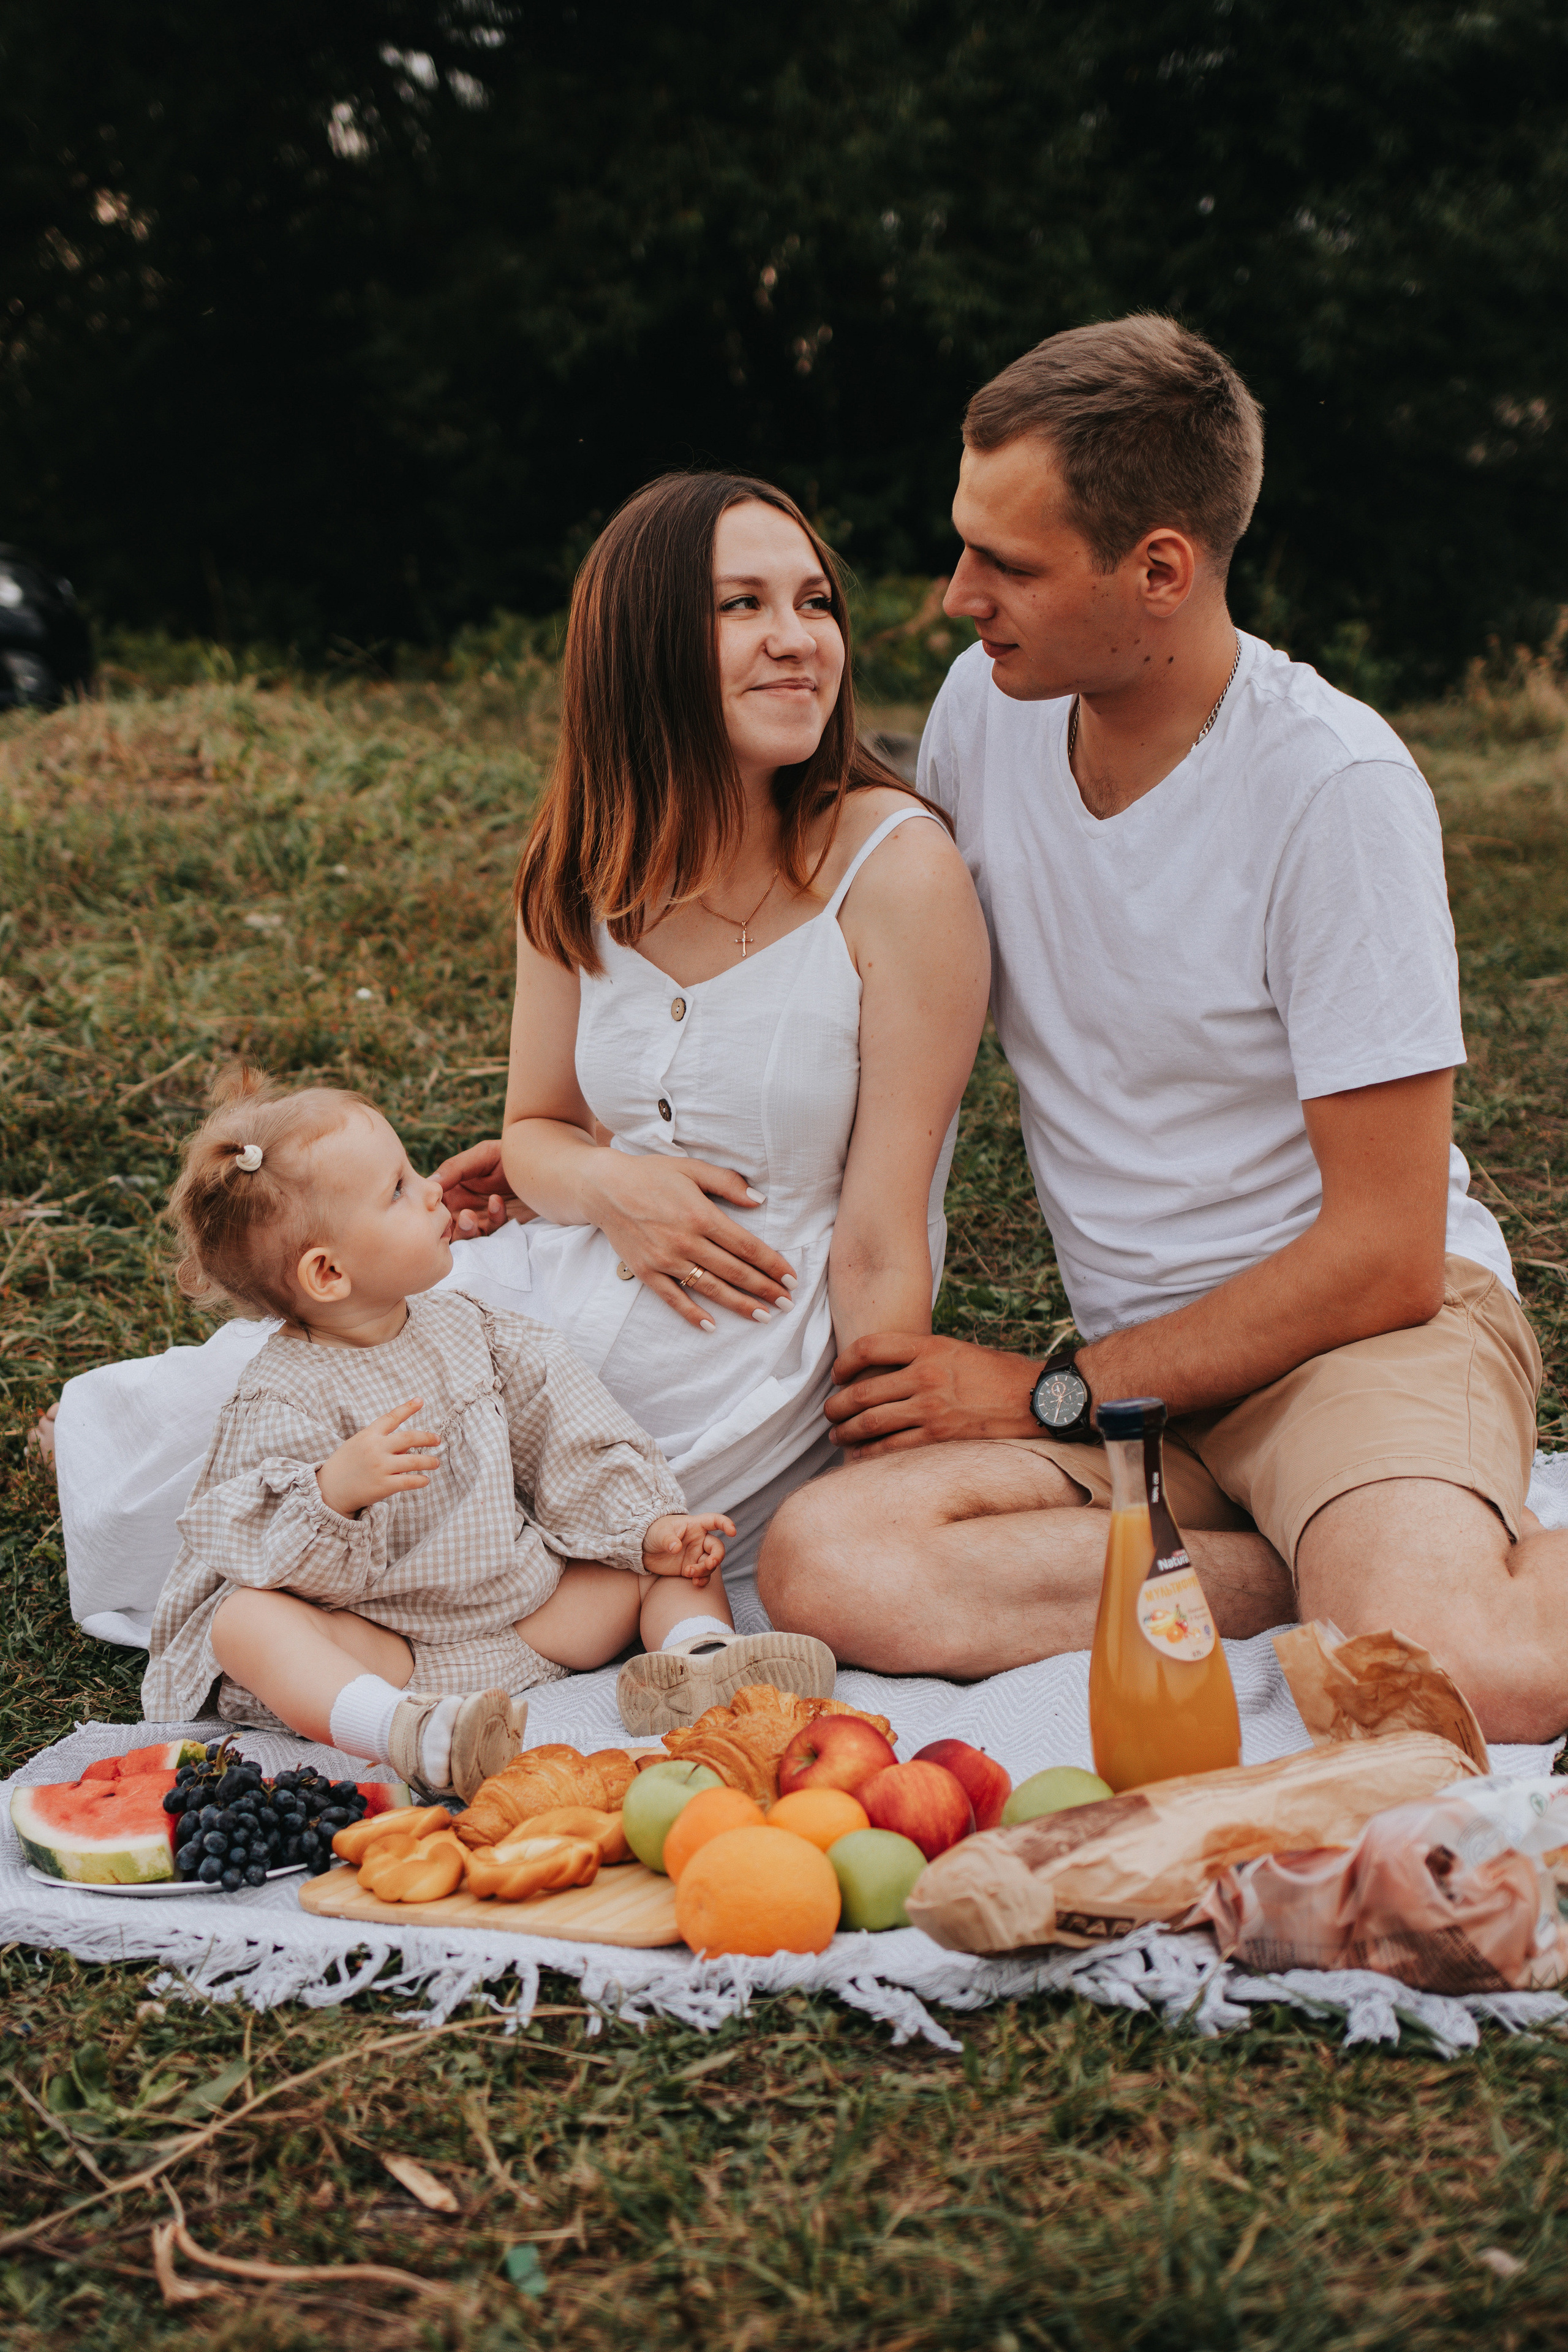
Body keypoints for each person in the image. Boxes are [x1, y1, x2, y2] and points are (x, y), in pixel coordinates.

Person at [48, 470, 991, 1698]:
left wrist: (877, 1472)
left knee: (517, 1511)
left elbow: (881, 1234)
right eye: (739, 606)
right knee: (240, 1410)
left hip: (750, 1335)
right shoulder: (581, 865)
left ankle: (415, 1654)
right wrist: (610, 1187)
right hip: (570, 1266)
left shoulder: (896, 871)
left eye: (811, 603)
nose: (794, 639)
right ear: (643, 645)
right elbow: (533, 1134)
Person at [757, 314, 1564, 1746]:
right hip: (1150, 1389)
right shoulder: (982, 713)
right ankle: (1312, 1568)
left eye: (1002, 564)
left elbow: (1379, 1255)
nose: (952, 597)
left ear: (1159, 570)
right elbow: (838, 949)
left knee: (1457, 1674)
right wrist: (574, 1143)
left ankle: (1382, 1568)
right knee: (831, 1565)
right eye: (962, 546)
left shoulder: (1331, 790)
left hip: (1356, 1345)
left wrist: (1051, 1388)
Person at [143, 1071, 738, 1799]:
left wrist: (644, 1530)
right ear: (328, 1273)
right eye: (398, 1188)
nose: (432, 1190)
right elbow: (257, 1551)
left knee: (666, 1558)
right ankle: (403, 1731)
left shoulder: (473, 1331)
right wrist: (334, 1492)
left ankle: (702, 1664)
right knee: (244, 1623)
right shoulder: (284, 1394)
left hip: (529, 1620)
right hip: (389, 1650)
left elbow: (570, 1441)